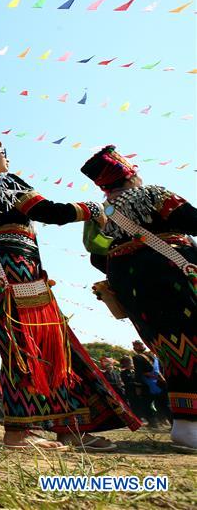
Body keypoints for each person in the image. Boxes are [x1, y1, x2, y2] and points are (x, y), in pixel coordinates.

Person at [0, 130, 139, 450]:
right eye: (1, 152)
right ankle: (34, 432)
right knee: (47, 346)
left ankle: (58, 429)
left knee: (22, 347)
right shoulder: (5, 182)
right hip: (18, 270)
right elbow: (45, 210)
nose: (6, 157)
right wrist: (90, 209)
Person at [81, 146, 196, 451]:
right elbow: (191, 219)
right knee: (190, 343)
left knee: (171, 350)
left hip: (131, 285)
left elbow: (97, 257)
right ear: (130, 174)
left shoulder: (107, 215)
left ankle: (186, 425)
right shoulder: (152, 194)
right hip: (172, 272)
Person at [131, 341, 172, 428]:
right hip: (161, 382)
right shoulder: (154, 355)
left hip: (148, 385)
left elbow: (139, 373)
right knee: (164, 404)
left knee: (145, 404)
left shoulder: (137, 358)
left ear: (135, 349)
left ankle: (154, 423)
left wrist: (138, 386)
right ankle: (171, 423)